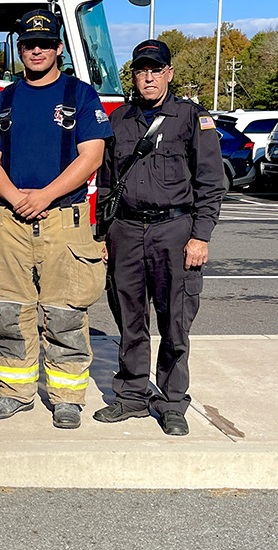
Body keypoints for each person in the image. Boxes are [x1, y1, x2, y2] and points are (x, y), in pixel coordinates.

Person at [0, 9, 111, 429]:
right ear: (19, 50)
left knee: (65, 311)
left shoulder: (81, 94)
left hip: (62, 219)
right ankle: (15, 391)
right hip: (10, 221)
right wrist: (16, 197)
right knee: (10, 310)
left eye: (45, 44)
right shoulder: (5, 99)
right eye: (29, 44)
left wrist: (45, 196)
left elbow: (92, 155)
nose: (36, 50)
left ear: (58, 49)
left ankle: (67, 397)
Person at [93, 39, 225, 436]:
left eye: (155, 69)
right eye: (140, 70)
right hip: (126, 231)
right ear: (133, 75)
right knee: (129, 319)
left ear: (168, 73)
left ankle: (171, 403)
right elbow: (105, 183)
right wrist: (101, 233)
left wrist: (200, 236)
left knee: (174, 322)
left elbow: (210, 183)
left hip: (175, 231)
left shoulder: (191, 118)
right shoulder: (118, 120)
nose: (147, 77)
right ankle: (132, 396)